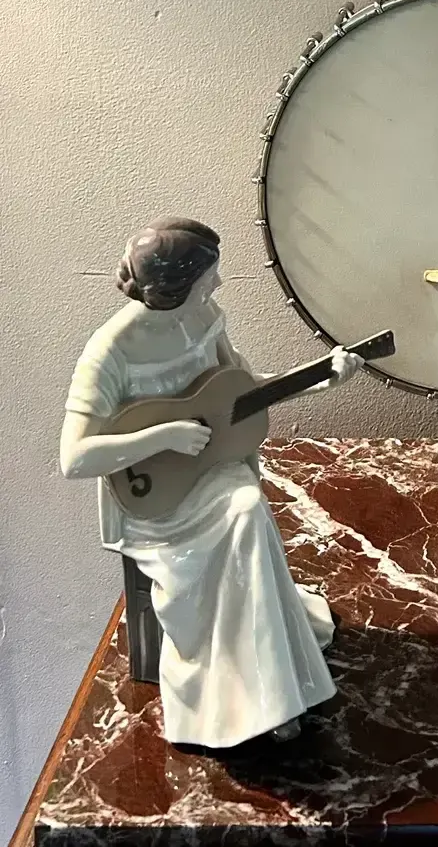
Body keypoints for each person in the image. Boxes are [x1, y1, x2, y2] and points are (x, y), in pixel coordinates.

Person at [59, 216, 361, 749]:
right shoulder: (109, 352)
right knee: (243, 513)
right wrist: (163, 436)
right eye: (209, 276)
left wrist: (321, 380)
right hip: (155, 497)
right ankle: (238, 695)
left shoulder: (204, 318)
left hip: (213, 470)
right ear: (178, 286)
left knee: (246, 506)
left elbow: (245, 391)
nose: (218, 283)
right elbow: (74, 458)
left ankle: (272, 688)